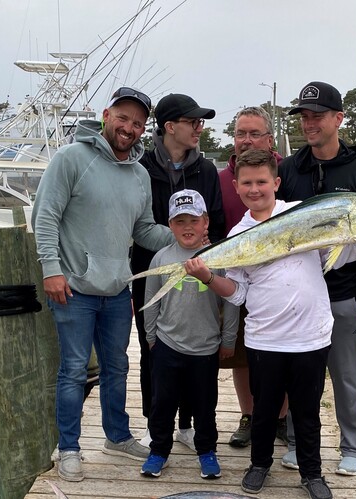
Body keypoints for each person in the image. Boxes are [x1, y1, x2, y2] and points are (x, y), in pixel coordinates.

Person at [184, 149, 356, 499]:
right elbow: (238, 292)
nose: (254, 189)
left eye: (261, 181)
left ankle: (312, 472)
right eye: (247, 183)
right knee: (263, 410)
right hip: (265, 340)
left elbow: (333, 257)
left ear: (276, 183)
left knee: (307, 412)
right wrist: (208, 277)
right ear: (236, 186)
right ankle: (259, 464)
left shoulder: (301, 213)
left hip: (311, 337)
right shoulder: (239, 233)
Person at [32, 86, 173, 482]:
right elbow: (45, 216)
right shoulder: (70, 158)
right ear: (106, 115)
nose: (129, 128)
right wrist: (51, 269)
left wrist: (186, 239)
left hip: (116, 291)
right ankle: (69, 448)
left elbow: (144, 230)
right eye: (123, 118)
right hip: (72, 289)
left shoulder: (140, 174)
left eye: (138, 123)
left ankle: (117, 436)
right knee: (74, 370)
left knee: (117, 366)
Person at [277, 81, 356, 477]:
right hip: (300, 297)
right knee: (301, 377)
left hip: (343, 296)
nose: (309, 124)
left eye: (317, 116)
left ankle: (353, 445)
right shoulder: (288, 169)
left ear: (338, 118)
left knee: (346, 376)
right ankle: (297, 442)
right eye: (304, 117)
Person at [131, 93, 225, 451]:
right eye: (193, 122)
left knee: (194, 352)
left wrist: (199, 251)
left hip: (199, 272)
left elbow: (216, 222)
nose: (200, 128)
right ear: (170, 126)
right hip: (151, 268)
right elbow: (138, 224)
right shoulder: (140, 168)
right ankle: (154, 423)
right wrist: (174, 244)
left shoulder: (207, 170)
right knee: (152, 348)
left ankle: (187, 425)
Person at [141, 189, 238, 479]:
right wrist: (151, 337)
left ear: (205, 222)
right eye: (179, 221)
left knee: (205, 406)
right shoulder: (160, 258)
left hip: (205, 348)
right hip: (167, 344)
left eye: (194, 220)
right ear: (170, 225)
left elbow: (231, 301)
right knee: (162, 403)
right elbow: (151, 299)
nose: (187, 227)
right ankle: (159, 450)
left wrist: (228, 340)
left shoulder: (219, 257)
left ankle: (206, 450)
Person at [218, 106, 288, 448]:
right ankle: (248, 415)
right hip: (237, 277)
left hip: (280, 283)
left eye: (254, 133)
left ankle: (281, 418)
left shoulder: (283, 172)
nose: (246, 140)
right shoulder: (221, 179)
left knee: (284, 353)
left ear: (269, 139)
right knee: (241, 356)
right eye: (240, 133)